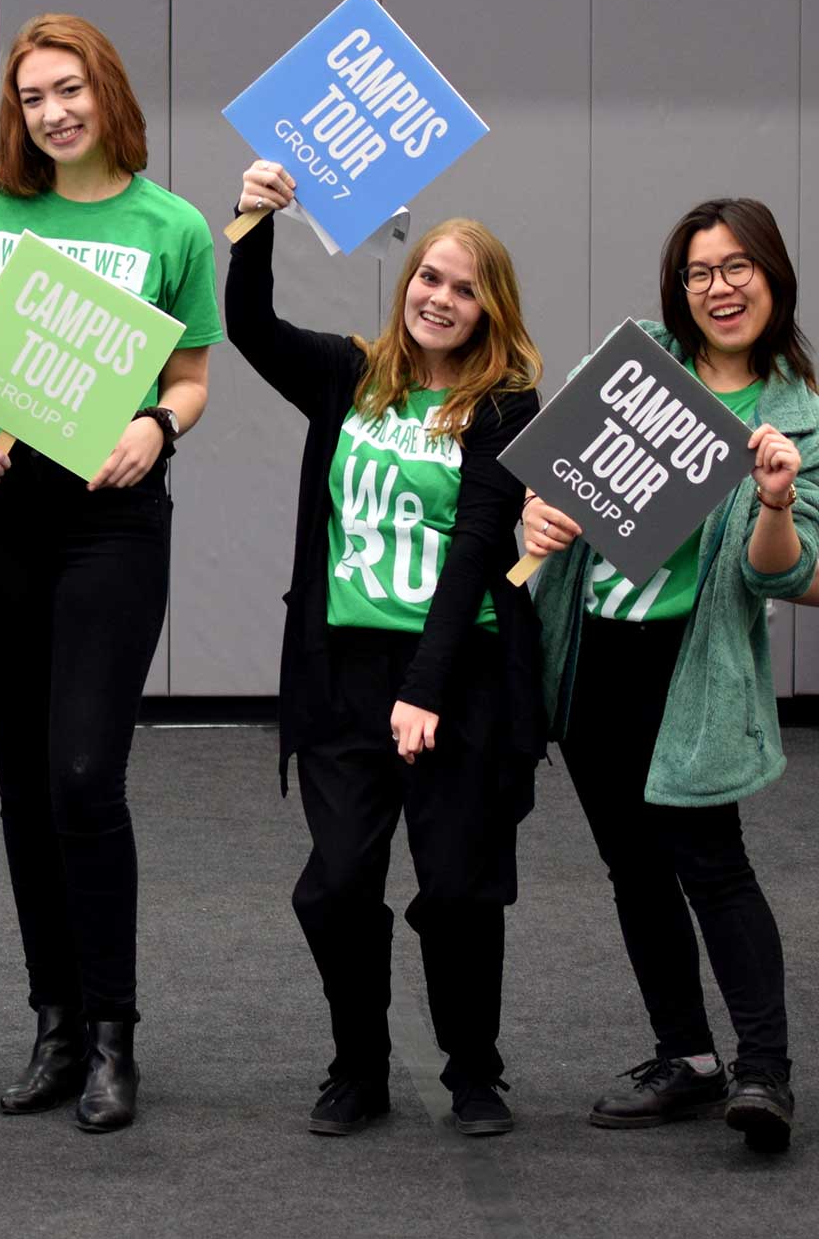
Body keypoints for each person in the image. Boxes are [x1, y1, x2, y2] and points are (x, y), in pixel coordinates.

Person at [0, 14, 219, 1134]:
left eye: (67, 89)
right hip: (3, 518)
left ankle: (114, 1034)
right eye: (30, 98)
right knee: (19, 784)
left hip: (110, 520)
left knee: (83, 777)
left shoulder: (175, 225)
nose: (52, 112)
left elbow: (194, 376)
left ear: (105, 91)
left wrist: (159, 425)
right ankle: (54, 1024)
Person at [229, 160, 544, 1137]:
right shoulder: (349, 375)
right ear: (403, 284)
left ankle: (473, 1073)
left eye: (463, 287)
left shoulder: (504, 410)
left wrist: (426, 689)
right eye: (428, 279)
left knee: (456, 891)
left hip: (463, 676)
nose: (440, 298)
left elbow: (475, 558)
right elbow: (248, 328)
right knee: (335, 885)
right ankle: (358, 1064)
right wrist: (251, 218)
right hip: (342, 677)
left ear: (491, 309)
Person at [522, 198, 817, 1153]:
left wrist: (771, 499)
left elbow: (791, 573)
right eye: (700, 272)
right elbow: (555, 477)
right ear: (677, 288)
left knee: (712, 863)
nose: (719, 288)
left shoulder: (796, 416)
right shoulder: (641, 358)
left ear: (773, 277)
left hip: (692, 664)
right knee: (634, 869)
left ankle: (764, 1073)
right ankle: (687, 1059)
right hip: (596, 651)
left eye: (738, 268)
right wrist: (538, 517)